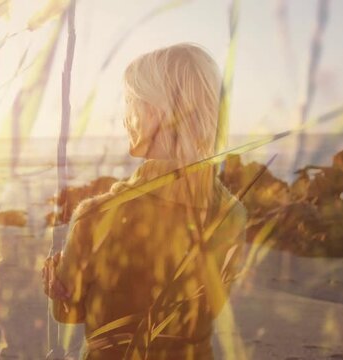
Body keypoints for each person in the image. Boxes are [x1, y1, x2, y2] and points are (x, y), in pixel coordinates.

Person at [42, 43, 247, 360]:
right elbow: (206, 310)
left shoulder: (97, 216)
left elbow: (68, 315)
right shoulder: (233, 213)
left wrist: (55, 285)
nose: (124, 118)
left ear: (156, 113)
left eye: (130, 104)